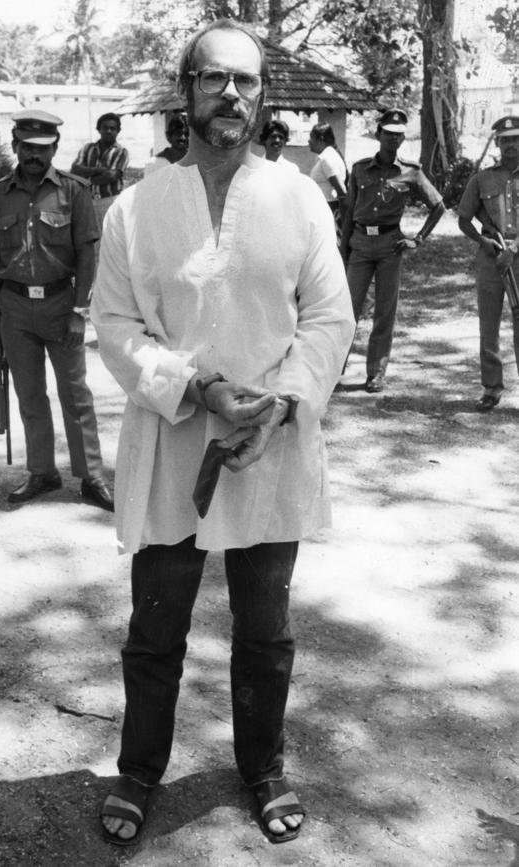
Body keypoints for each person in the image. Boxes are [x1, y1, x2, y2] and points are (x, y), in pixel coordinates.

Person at [92, 18, 354, 847]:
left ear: (262, 95)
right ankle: (139, 770)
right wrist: (197, 386)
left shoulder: (299, 197)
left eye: (245, 81)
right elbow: (115, 326)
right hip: (174, 446)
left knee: (266, 631)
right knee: (155, 628)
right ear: (187, 90)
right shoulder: (134, 210)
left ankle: (263, 765)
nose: (230, 94)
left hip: (269, 447)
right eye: (214, 79)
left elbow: (329, 317)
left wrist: (279, 402)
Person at [0, 109, 113, 511]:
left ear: (55, 148)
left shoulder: (74, 191)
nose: (34, 155)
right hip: (14, 307)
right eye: (27, 147)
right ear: (15, 147)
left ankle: (91, 477)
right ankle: (42, 472)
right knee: (29, 394)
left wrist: (80, 309)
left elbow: (88, 254)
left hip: (60, 304)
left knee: (75, 395)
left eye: (43, 149)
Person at [340, 109, 445, 392]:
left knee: (385, 312)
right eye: (388, 134)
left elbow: (439, 206)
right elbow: (349, 212)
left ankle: (376, 373)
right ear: (378, 135)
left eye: (398, 135)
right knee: (347, 310)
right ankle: (334, 368)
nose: (393, 140)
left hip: (390, 247)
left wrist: (418, 239)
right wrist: (343, 250)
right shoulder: (360, 169)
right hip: (360, 245)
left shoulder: (411, 171)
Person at [457, 115, 519, 412]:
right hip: (491, 258)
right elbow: (463, 219)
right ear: (497, 143)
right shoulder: (482, 179)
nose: (511, 145)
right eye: (505, 140)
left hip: (517, 257)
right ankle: (491, 388)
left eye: (515, 139)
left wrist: (514, 248)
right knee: (489, 324)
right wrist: (483, 242)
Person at [70, 113, 129, 233]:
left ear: (118, 131)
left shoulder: (121, 152)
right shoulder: (88, 148)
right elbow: (75, 170)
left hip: (110, 201)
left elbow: (112, 176)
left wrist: (87, 180)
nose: (108, 131)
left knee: (110, 238)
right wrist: (98, 170)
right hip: (87, 201)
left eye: (113, 128)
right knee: (88, 237)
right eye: (105, 128)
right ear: (98, 129)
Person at [308, 122, 348, 217]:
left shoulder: (327, 158)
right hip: (323, 208)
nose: (308, 141)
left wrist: (339, 216)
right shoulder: (327, 156)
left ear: (321, 139)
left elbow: (342, 191)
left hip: (327, 209)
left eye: (311, 137)